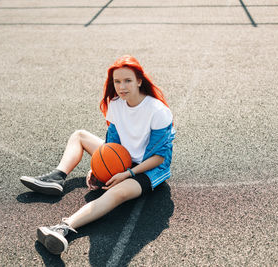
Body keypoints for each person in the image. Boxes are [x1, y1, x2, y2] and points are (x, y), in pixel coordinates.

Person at [20, 55, 176, 255]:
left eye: (127, 80)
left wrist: (127, 173)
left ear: (139, 81)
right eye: (117, 81)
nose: (122, 86)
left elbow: (159, 158)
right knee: (80, 136)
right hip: (124, 156)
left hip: (149, 168)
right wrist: (98, 167)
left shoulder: (157, 111)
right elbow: (111, 144)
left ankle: (63, 228)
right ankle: (57, 177)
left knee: (116, 192)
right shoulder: (116, 104)